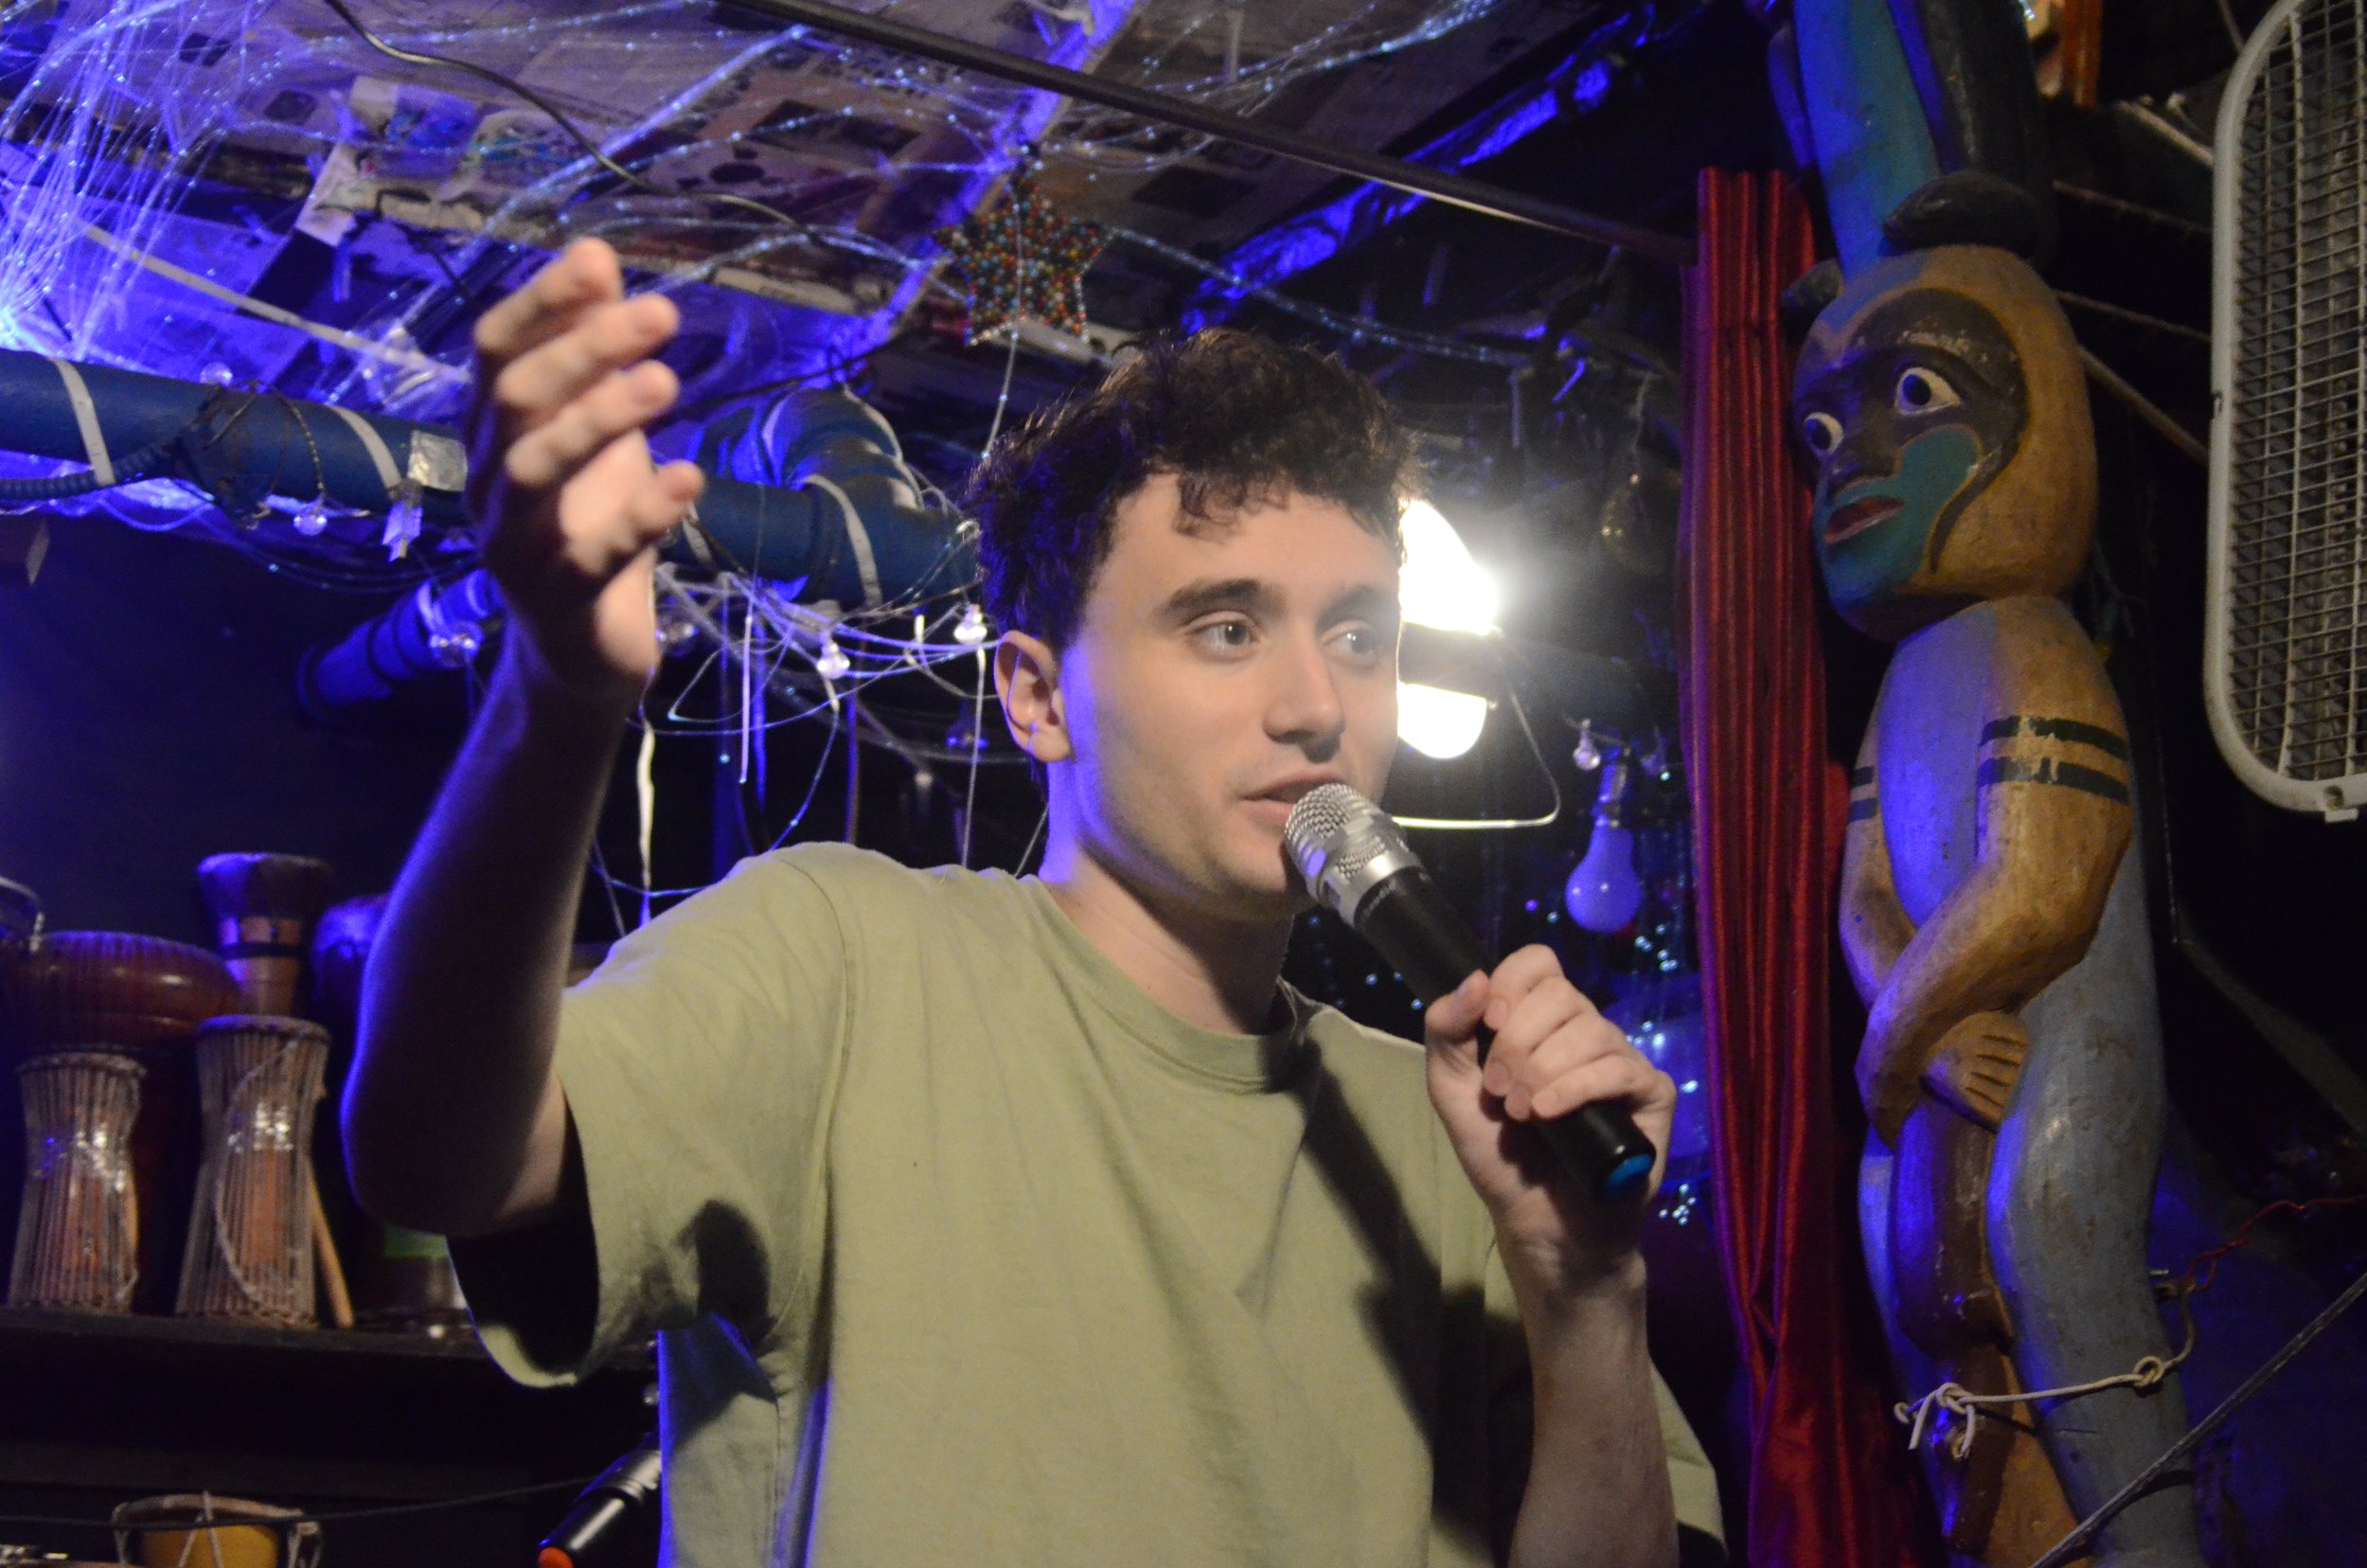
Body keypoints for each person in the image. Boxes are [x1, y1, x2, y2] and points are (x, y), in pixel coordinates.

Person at [343, 237, 1722, 1568]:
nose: (1317, 705)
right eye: (1227, 628)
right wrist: (558, 695)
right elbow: (439, 1164)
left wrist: (1590, 1294)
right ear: (1037, 697)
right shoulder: (846, 962)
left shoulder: (1465, 1136)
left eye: (1359, 636)